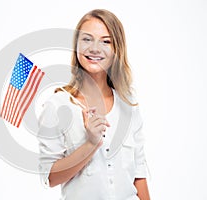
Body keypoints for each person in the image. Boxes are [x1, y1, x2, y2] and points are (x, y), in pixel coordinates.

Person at [37, 9, 150, 200]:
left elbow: (139, 173)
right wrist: (90, 144)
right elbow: (50, 177)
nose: (95, 48)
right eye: (87, 40)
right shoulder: (57, 105)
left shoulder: (128, 103)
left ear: (117, 50)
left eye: (106, 41)